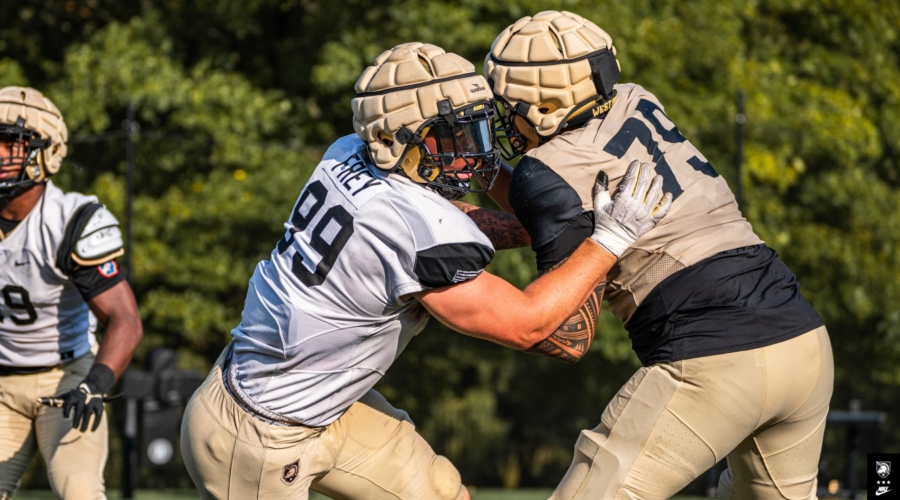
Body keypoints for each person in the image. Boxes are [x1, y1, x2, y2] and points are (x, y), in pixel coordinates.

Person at [181, 42, 671, 500]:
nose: (469, 149)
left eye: (473, 128)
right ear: (394, 141)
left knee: (443, 492)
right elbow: (528, 325)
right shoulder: (410, 227)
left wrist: (532, 228)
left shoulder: (348, 152)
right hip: (256, 436)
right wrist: (609, 239)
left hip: (313, 401)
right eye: (452, 135)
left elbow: (441, 223)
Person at [480, 11, 833, 500]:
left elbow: (565, 338)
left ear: (547, 107)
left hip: (713, 360)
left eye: (507, 103)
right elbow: (556, 205)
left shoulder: (545, 169)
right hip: (803, 342)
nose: (500, 115)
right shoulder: (636, 99)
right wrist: (482, 171)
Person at [0, 86, 143, 500]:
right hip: (2, 385)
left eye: (9, 143)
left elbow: (125, 319)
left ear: (46, 152)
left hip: (67, 379)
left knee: (78, 491)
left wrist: (95, 383)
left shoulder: (69, 220)